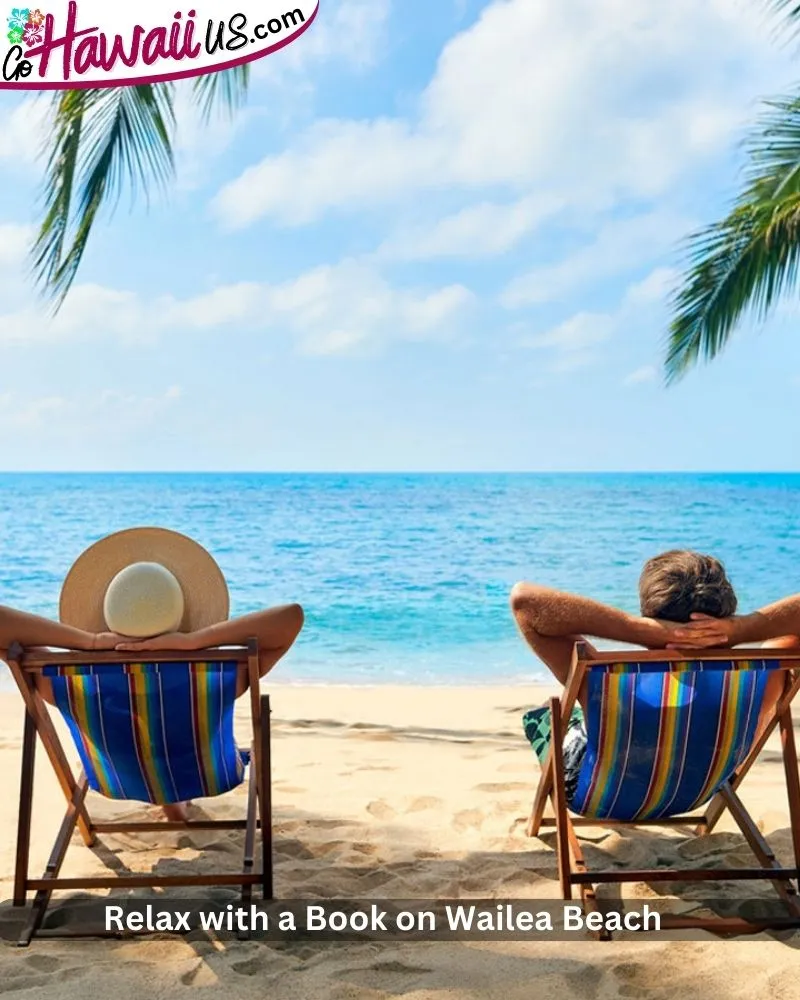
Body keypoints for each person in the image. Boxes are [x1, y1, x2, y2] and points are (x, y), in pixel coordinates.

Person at [510, 550, 798, 802]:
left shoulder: (606, 683)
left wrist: (638, 629)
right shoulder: (764, 675)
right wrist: (741, 630)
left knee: (547, 715)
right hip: (701, 790)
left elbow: (525, 601)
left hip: (602, 795)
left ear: (650, 616)